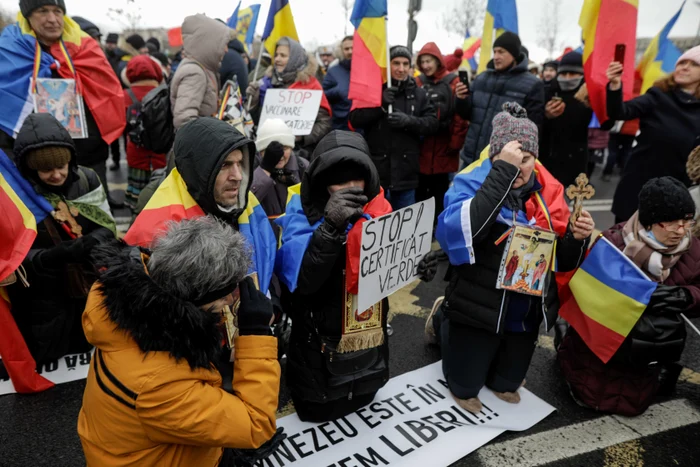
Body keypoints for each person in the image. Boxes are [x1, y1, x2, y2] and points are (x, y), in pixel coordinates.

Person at [430, 102, 594, 414]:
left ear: (536, 159)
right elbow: (457, 237)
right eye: (508, 158)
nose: (519, 166)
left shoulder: (550, 193)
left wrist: (576, 238)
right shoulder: (470, 182)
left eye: (526, 159)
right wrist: (501, 174)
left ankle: (495, 358)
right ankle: (442, 322)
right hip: (477, 305)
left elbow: (562, 260)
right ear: (494, 157)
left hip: (522, 309)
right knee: (464, 385)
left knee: (506, 383)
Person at [78, 216, 281, 466]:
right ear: (195, 298)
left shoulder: (131, 308)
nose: (231, 301)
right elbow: (255, 424)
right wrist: (256, 334)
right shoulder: (159, 385)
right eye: (227, 293)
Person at [275, 130, 438, 422]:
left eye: (357, 179)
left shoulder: (382, 210)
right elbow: (303, 285)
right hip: (319, 360)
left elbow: (387, 274)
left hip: (368, 353)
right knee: (319, 407)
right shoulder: (300, 212)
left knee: (366, 393)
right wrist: (329, 228)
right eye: (340, 181)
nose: (351, 188)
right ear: (323, 183)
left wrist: (416, 264)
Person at [559, 177, 700, 416]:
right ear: (650, 220)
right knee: (590, 395)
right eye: (671, 222)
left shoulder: (693, 251)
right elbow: (579, 288)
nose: (681, 230)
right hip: (596, 356)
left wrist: (686, 296)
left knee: (631, 402)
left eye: (686, 221)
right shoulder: (613, 243)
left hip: (644, 363)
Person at [6, 113, 116, 365]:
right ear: (29, 169)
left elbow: (108, 226)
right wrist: (47, 258)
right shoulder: (16, 196)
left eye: (61, 166)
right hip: (43, 296)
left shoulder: (87, 179)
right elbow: (11, 253)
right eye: (46, 169)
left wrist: (91, 241)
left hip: (87, 284)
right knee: (48, 355)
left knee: (88, 346)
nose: (56, 175)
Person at [125, 117, 276, 298]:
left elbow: (270, 262)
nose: (238, 176)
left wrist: (272, 301)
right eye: (224, 165)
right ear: (199, 170)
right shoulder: (155, 234)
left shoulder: (248, 204)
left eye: (240, 163)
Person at [0, 1, 126, 209]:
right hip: (32, 168)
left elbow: (106, 95)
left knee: (96, 226)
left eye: (57, 11)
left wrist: (96, 149)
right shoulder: (8, 50)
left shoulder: (85, 47)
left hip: (89, 159)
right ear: (27, 16)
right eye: (43, 11)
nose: (52, 19)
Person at [606, 45, 700, 223]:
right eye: (682, 62)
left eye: (694, 64)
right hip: (638, 185)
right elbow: (621, 112)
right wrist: (615, 85)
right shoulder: (658, 96)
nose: (684, 67)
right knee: (623, 244)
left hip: (677, 191)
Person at [349, 45, 439, 211]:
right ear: (388, 65)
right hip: (377, 173)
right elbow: (355, 119)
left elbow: (432, 123)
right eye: (396, 63)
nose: (401, 68)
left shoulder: (419, 94)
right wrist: (380, 106)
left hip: (406, 174)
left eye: (406, 64)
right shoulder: (373, 91)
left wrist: (408, 121)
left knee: (404, 229)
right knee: (375, 224)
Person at [454, 32, 545, 167]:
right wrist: (461, 99)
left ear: (514, 54)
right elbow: (466, 114)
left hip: (501, 165)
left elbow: (533, 130)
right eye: (494, 52)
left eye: (501, 52)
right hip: (471, 160)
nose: (496, 57)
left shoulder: (532, 85)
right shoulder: (481, 78)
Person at [247, 37, 332, 156]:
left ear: (294, 59)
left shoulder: (311, 86)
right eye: (276, 55)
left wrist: (301, 137)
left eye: (283, 55)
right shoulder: (266, 83)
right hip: (267, 153)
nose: (277, 59)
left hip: (300, 155)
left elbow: (324, 124)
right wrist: (254, 102)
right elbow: (257, 121)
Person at [415, 42, 470, 218]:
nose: (425, 65)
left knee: (439, 193)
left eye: (428, 61)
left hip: (444, 148)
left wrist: (455, 144)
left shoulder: (453, 82)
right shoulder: (417, 82)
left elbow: (460, 117)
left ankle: (437, 229)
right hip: (421, 148)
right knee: (420, 193)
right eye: (422, 61)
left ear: (438, 60)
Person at [539, 52, 593, 187]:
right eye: (563, 74)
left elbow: (607, 123)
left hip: (575, 160)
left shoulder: (588, 94)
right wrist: (546, 115)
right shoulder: (547, 91)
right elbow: (534, 122)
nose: (567, 78)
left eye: (573, 74)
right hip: (548, 157)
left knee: (569, 205)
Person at [170, 14, 232, 131]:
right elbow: (184, 120)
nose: (226, 49)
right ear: (211, 43)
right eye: (224, 44)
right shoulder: (195, 72)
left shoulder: (204, 69)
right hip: (197, 148)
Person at [123, 55, 166, 213]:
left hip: (136, 153)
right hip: (160, 153)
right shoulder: (162, 93)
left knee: (138, 195)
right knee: (159, 194)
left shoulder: (125, 95)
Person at [251, 118, 309, 219]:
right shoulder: (252, 168)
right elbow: (247, 203)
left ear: (291, 148)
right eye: (271, 151)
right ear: (260, 151)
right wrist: (265, 169)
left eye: (285, 148)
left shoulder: (302, 166)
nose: (279, 156)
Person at [322, 35, 354, 131]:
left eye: (353, 48)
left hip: (364, 127)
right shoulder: (333, 71)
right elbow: (323, 95)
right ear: (342, 51)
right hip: (341, 126)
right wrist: (338, 91)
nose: (350, 51)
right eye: (346, 49)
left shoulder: (367, 70)